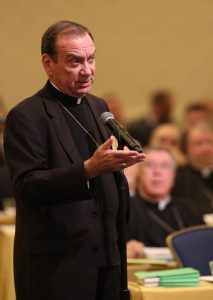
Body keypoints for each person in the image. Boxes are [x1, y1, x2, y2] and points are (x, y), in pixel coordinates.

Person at [3, 21, 145, 300]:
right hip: (58, 268)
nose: (87, 70)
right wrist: (88, 170)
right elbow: (28, 186)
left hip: (108, 261)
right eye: (74, 62)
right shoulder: (27, 116)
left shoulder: (98, 107)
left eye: (91, 59)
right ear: (48, 63)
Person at [126, 147, 203, 258]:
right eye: (150, 165)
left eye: (165, 166)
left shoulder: (189, 209)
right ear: (140, 174)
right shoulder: (126, 209)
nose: (157, 172)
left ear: (173, 176)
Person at [172, 122, 213, 218]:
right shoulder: (177, 178)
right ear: (187, 149)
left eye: (210, 142)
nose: (205, 148)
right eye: (198, 144)